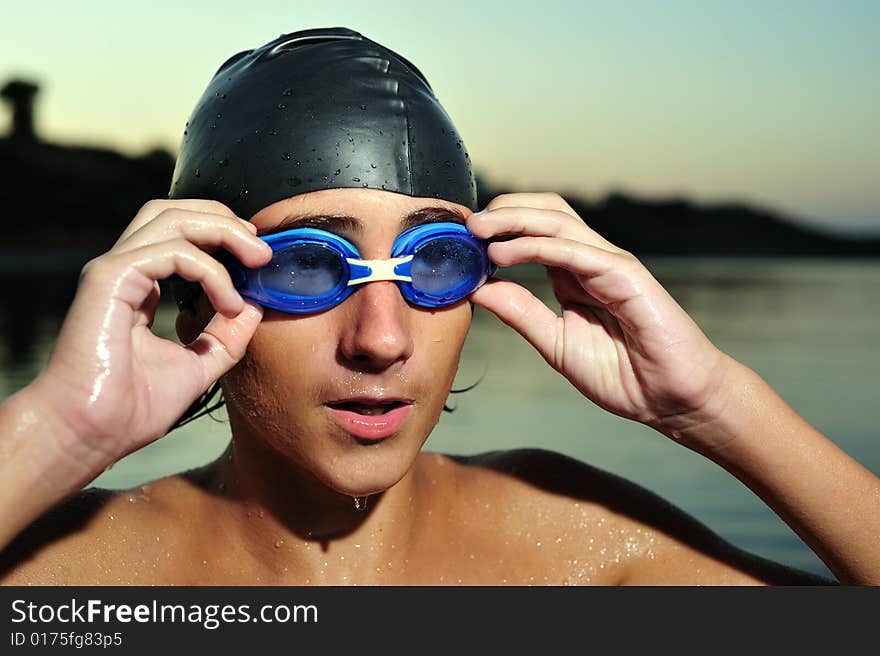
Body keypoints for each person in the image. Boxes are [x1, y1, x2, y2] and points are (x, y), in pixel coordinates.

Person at [1, 28, 878, 586]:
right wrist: (60, 432)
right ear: (199, 302)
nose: (383, 342)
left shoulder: (582, 556)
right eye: (309, 266)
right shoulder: (80, 584)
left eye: (434, 262)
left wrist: (717, 406)